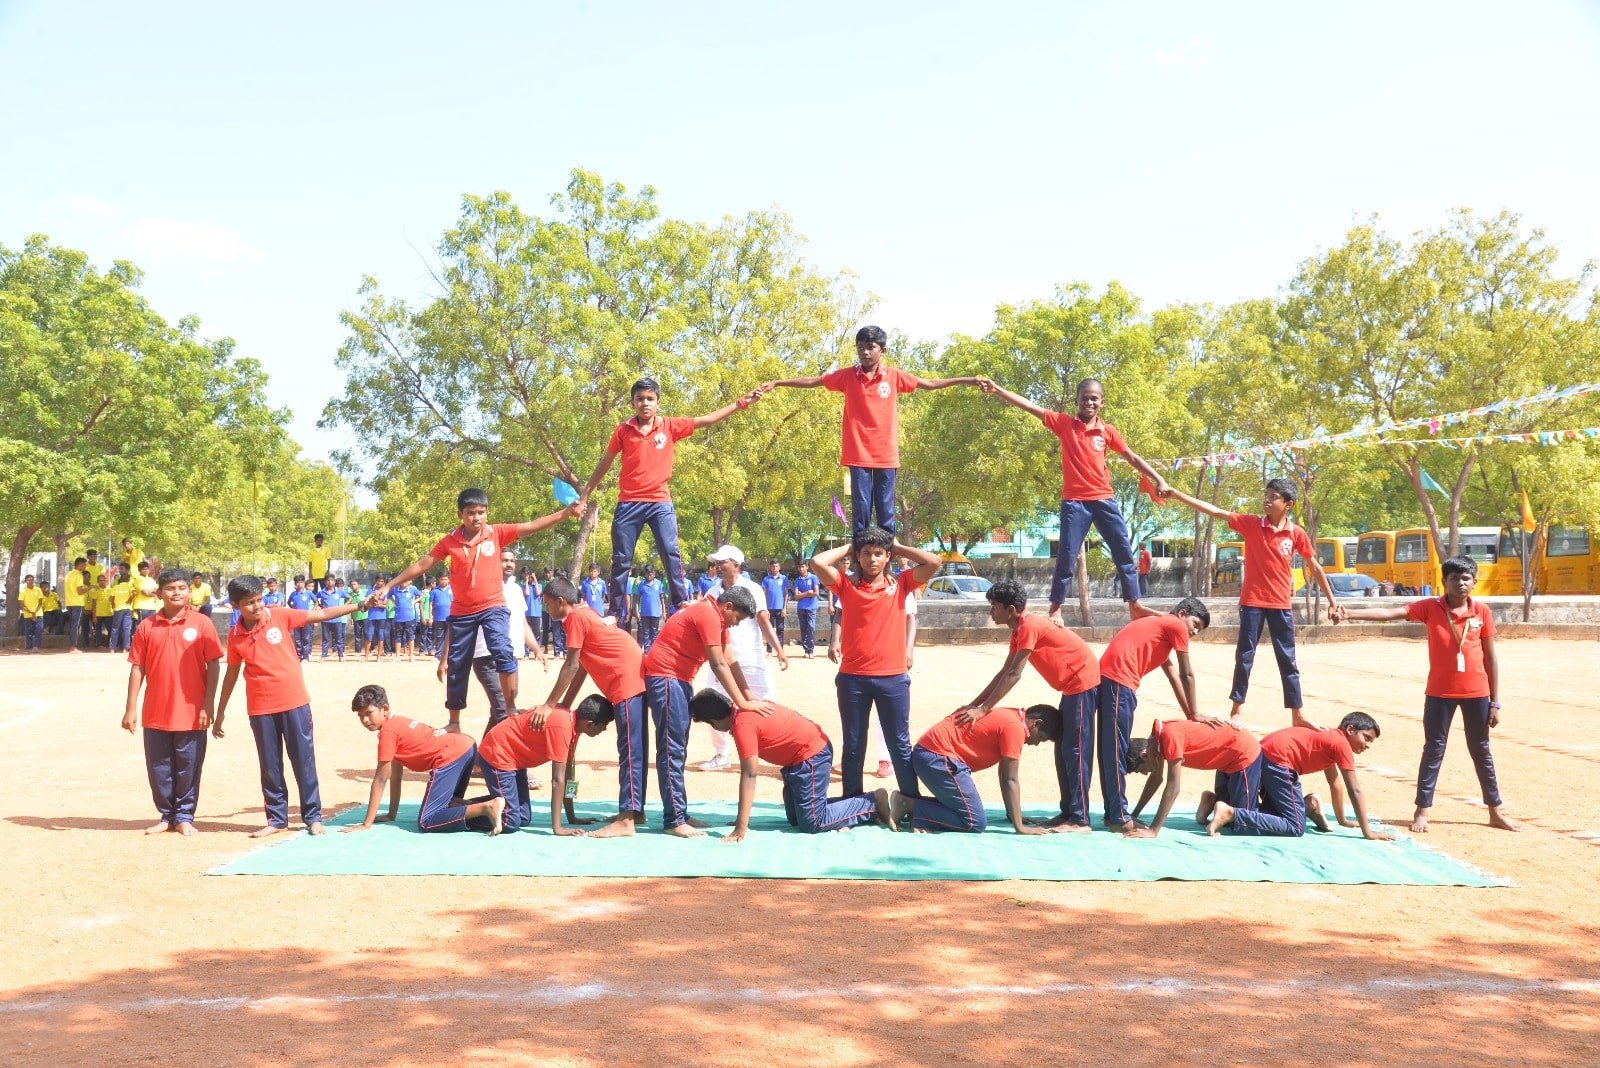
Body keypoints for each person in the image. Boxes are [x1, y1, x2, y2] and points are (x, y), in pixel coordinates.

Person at [367, 488, 579, 730]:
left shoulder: (497, 533)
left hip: (493, 607)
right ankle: (454, 722)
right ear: (460, 514)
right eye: (471, 513)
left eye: (481, 512)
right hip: (462, 611)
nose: (477, 517)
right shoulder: (450, 541)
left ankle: (510, 708)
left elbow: (532, 525)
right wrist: (389, 586)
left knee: (503, 650)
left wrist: (565, 513)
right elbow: (423, 564)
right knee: (457, 665)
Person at [1336, 554, 1516, 833]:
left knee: (1481, 750)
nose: (1460, 583)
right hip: (1439, 694)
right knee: (1433, 750)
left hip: (1477, 694)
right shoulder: (1431, 608)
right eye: (1454, 578)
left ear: (1474, 582)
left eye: (1466, 578)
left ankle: (1495, 810)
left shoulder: (1482, 612)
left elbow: (1491, 657)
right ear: (1444, 581)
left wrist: (1495, 702)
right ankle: (1422, 810)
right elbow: (1391, 614)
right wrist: (1349, 614)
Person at [977, 376, 1170, 624]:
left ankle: (1135, 604)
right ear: (1076, 401)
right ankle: (1055, 608)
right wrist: (998, 390)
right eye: (1084, 398)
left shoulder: (1107, 431)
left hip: (1104, 499)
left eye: (1094, 398)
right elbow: (1028, 406)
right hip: (1075, 503)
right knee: (1066, 556)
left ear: (1102, 402)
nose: (1089, 402)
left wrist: (1158, 478)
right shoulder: (1064, 424)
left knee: (1123, 551)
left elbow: (1132, 457)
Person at [577, 375, 763, 622]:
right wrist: (584, 496)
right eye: (640, 398)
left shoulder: (669, 426)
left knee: (670, 551)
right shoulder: (623, 430)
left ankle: (680, 601)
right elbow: (604, 463)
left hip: (660, 502)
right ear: (633, 403)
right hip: (628, 503)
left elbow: (707, 419)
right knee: (621, 559)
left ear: (658, 402)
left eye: (650, 398)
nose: (645, 403)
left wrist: (742, 402)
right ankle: (614, 613)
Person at [760, 327, 981, 534]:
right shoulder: (847, 376)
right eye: (860, 347)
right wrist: (778, 383)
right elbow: (814, 381)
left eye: (870, 347)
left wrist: (968, 380)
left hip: (886, 455)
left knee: (886, 509)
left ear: (882, 350)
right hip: (858, 454)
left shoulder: (894, 376)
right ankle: (860, 556)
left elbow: (930, 384)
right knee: (861, 510)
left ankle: (886, 557)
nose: (864, 352)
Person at [1161, 477, 1337, 727]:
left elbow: (1315, 567)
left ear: (1288, 504)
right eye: (1267, 494)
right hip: (1252, 602)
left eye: (1274, 497)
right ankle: (1237, 709)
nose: (1267, 499)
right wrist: (1177, 494)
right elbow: (1215, 511)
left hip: (1281, 605)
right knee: (1244, 656)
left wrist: (1332, 601)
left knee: (1288, 660)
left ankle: (1298, 715)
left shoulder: (1296, 533)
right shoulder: (1252, 524)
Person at [215, 574, 358, 838]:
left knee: (303, 761)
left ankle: (313, 817)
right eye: (249, 603)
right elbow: (231, 674)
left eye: (259, 599)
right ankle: (277, 819)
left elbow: (322, 613)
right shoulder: (235, 636)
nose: (257, 606)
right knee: (270, 766)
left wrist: (359, 605)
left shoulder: (279, 615)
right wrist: (220, 712)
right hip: (260, 708)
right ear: (235, 605)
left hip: (294, 703)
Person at [954, 578, 1099, 832]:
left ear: (1011, 610)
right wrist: (973, 705)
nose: (991, 611)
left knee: (1075, 751)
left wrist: (984, 709)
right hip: (1071, 688)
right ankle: (1068, 812)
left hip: (1082, 683)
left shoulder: (1030, 625)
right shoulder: (1018, 629)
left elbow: (1014, 674)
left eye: (994, 607)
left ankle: (1080, 819)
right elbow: (1004, 672)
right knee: (1063, 750)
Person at [811, 527, 941, 798]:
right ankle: (853, 803)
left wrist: (896, 546)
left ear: (887, 557)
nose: (872, 559)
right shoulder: (845, 585)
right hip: (852, 679)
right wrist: (851, 547)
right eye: (867, 554)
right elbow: (817, 562)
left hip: (892, 678)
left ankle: (909, 802)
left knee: (899, 744)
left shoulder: (901, 583)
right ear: (858, 557)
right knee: (854, 745)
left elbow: (934, 562)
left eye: (879, 554)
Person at [644, 585, 773, 837]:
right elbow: (718, 664)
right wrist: (742, 703)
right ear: (728, 607)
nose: (736, 624)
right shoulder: (708, 615)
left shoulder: (716, 616)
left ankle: (679, 813)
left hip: (678, 680)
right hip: (667, 679)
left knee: (678, 748)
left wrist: (748, 695)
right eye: (737, 618)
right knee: (671, 750)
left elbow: (729, 658)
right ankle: (673, 819)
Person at [689, 689, 890, 840]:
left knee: (813, 822)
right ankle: (854, 806)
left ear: (714, 721)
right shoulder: (742, 706)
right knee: (796, 819)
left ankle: (872, 802)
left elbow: (749, 775)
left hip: (811, 755)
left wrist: (741, 827)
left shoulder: (743, 725)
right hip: (798, 761)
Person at [532, 576, 648, 838]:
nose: (546, 609)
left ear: (561, 601)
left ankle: (627, 820)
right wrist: (564, 704)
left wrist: (549, 705)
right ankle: (634, 812)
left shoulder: (575, 618)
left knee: (630, 753)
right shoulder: (587, 612)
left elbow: (572, 664)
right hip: (632, 679)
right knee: (635, 751)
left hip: (626, 682)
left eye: (547, 604)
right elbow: (583, 666)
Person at [121, 569, 224, 835]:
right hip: (156, 712)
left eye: (181, 588)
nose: (176, 593)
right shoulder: (147, 626)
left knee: (188, 766)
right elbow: (137, 667)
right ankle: (166, 815)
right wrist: (131, 708)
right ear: (159, 593)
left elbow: (214, 664)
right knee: (159, 767)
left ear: (189, 591)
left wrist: (208, 703)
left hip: (191, 712)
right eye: (170, 588)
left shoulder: (202, 624)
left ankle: (184, 815)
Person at [1095, 598, 1212, 832]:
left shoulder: (1160, 628)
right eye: (1195, 624)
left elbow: (1173, 677)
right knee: (1115, 752)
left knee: (1109, 751)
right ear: (1182, 613)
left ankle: (1113, 814)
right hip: (1119, 682)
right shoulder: (1175, 625)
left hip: (1110, 681)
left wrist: (1190, 714)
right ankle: (1119, 817)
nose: (1194, 632)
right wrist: (1196, 714)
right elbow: (1186, 673)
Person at [346, 684, 504, 836]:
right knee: (450, 805)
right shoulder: (395, 724)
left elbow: (381, 779)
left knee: (427, 820)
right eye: (360, 716)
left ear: (385, 709)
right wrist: (391, 814)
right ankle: (503, 808)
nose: (365, 720)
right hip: (466, 747)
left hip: (452, 755)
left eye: (369, 713)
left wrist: (366, 823)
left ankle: (488, 806)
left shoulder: (388, 733)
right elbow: (395, 776)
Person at [1207, 712, 1393, 841]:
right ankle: (1231, 812)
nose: (1368, 745)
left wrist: (1342, 820)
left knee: (1275, 816)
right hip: (1277, 762)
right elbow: (1355, 790)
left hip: (1262, 757)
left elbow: (1335, 783)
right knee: (1295, 826)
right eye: (1366, 738)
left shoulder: (1330, 739)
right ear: (1351, 730)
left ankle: (1214, 802)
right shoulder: (1340, 743)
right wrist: (1368, 832)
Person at [891, 705, 1059, 834]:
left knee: (968, 813)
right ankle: (909, 805)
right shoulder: (1016, 728)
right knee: (974, 822)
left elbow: (1004, 775)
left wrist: (1013, 815)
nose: (1036, 743)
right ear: (1037, 723)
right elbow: (1010, 779)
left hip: (931, 755)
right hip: (939, 759)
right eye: (1040, 738)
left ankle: (909, 804)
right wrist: (1020, 827)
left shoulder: (1012, 716)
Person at [436, 548, 547, 737]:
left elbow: (522, 623)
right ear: (495, 562)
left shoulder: (516, 590)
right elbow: (458, 623)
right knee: (504, 710)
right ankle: (504, 754)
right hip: (485, 656)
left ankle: (482, 755)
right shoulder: (480, 587)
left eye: (512, 560)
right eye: (504, 560)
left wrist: (536, 649)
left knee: (499, 710)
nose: (509, 564)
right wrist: (444, 658)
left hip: (510, 658)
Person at [699, 546, 788, 771]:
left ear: (736, 565)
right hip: (721, 661)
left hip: (750, 659)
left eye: (723, 562)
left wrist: (779, 650)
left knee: (768, 705)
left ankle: (783, 754)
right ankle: (722, 754)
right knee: (711, 704)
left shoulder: (753, 589)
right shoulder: (712, 593)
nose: (718, 566)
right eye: (717, 562)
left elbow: (764, 622)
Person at [477, 695, 611, 835]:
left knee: (523, 818)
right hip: (498, 753)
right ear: (589, 724)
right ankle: (464, 811)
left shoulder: (574, 726)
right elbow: (557, 780)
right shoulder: (562, 727)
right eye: (604, 725)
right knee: (509, 822)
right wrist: (558, 828)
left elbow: (568, 775)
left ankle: (489, 805)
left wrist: (572, 817)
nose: (605, 729)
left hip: (516, 761)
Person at [1124, 717, 1263, 839]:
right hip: (1225, 761)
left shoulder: (1169, 737)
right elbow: (1156, 779)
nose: (1145, 773)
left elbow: (1173, 787)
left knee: (1244, 823)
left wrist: (1153, 830)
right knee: (1229, 817)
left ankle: (1215, 804)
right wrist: (1134, 815)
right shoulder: (1155, 742)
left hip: (1243, 754)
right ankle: (1211, 802)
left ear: (1144, 755)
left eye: (1141, 770)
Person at [631, 565, 665, 653]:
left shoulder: (658, 583)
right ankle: (646, 652)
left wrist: (664, 611)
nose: (649, 576)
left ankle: (654, 652)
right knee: (645, 633)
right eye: (647, 574)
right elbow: (637, 600)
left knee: (654, 633)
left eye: (651, 574)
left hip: (655, 613)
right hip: (644, 614)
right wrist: (636, 611)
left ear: (654, 574)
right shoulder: (641, 584)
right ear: (645, 574)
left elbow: (662, 599)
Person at [388, 578, 421, 661]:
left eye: (406, 580)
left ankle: (411, 656)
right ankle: (397, 656)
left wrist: (414, 602)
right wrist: (394, 602)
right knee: (398, 637)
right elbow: (388, 595)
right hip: (398, 617)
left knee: (410, 636)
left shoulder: (412, 589)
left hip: (410, 617)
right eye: (402, 580)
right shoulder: (395, 589)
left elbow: (421, 595)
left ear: (409, 581)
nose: (404, 582)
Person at [316, 577, 348, 661]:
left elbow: (349, 598)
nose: (330, 582)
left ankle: (341, 656)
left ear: (334, 582)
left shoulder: (339, 591)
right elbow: (315, 598)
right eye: (328, 580)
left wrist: (344, 606)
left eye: (332, 580)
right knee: (325, 639)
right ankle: (323, 656)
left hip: (337, 618)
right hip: (325, 618)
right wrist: (320, 605)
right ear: (325, 582)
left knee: (339, 638)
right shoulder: (322, 592)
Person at [792, 561, 820, 658]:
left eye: (803, 566)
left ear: (807, 567)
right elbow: (796, 596)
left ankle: (811, 650)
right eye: (799, 567)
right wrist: (807, 593)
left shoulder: (813, 577)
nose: (801, 569)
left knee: (811, 628)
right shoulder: (797, 580)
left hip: (812, 607)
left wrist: (802, 594)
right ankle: (806, 650)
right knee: (803, 629)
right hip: (801, 607)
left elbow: (816, 593)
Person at [64, 557, 91, 652]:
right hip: (77, 603)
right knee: (76, 625)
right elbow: (80, 591)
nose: (85, 567)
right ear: (80, 564)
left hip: (69, 603)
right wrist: (89, 587)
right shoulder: (79, 575)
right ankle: (73, 647)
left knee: (72, 624)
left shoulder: (68, 574)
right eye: (85, 565)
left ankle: (71, 645)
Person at [286, 576, 315, 661]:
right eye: (297, 582)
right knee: (297, 638)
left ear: (304, 583)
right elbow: (289, 602)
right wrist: (293, 609)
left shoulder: (308, 593)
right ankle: (299, 656)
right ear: (295, 584)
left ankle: (305, 656)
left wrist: (312, 611)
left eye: (301, 582)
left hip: (306, 618)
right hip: (296, 619)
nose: (299, 584)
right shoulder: (293, 594)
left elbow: (316, 601)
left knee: (306, 638)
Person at [108, 565, 135, 653]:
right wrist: (129, 600)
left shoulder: (115, 587)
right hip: (127, 609)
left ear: (120, 580)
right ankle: (125, 648)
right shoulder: (130, 587)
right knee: (126, 628)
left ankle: (112, 648)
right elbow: (134, 594)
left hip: (118, 609)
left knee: (115, 628)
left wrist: (113, 606)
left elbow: (110, 599)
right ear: (128, 580)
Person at [17, 574, 45, 653]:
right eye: (28, 580)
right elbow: (21, 604)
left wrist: (35, 612)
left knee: (38, 630)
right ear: (26, 581)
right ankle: (29, 647)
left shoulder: (38, 590)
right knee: (29, 632)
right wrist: (30, 612)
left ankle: (36, 647)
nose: (30, 581)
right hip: (27, 614)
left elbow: (40, 602)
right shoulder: (23, 591)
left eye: (32, 580)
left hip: (38, 614)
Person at [91, 573, 115, 649]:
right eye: (100, 580)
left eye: (103, 580)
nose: (102, 582)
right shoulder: (96, 591)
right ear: (97, 582)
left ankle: (111, 645)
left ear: (106, 581)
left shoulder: (110, 590)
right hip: (98, 614)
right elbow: (93, 604)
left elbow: (113, 602)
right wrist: (94, 616)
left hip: (109, 613)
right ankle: (99, 645)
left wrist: (114, 611)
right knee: (98, 630)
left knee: (111, 630)